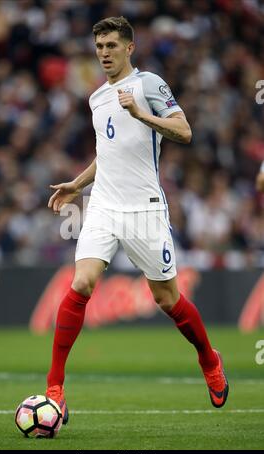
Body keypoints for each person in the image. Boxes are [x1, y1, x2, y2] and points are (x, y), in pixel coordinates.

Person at [45, 16, 229, 423]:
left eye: (111, 46)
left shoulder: (149, 84)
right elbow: (107, 154)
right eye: (99, 47)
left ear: (130, 47)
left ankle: (208, 359)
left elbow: (184, 131)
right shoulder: (96, 99)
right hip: (104, 205)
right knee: (81, 282)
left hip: (145, 208)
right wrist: (77, 184)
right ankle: (54, 389)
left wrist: (143, 115)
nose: (104, 54)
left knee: (167, 299)